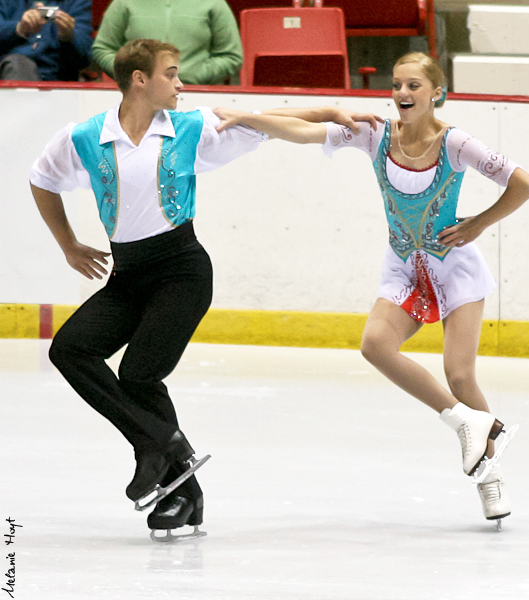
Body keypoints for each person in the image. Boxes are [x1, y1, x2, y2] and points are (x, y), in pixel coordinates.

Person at [29, 38, 375, 537]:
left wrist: (329, 110)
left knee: (140, 374)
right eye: (171, 73)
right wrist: (68, 244)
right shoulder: (83, 136)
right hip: (126, 275)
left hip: (181, 271)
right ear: (139, 80)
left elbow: (265, 122)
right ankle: (169, 463)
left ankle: (160, 454)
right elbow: (42, 178)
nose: (181, 83)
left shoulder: (191, 127)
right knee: (71, 349)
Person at [211, 52, 529, 525]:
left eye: (413, 86)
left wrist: (480, 224)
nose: (402, 94)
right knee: (375, 345)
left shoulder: (456, 144)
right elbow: (302, 132)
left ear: (436, 94)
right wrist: (249, 116)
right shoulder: (374, 133)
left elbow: (524, 183)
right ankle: (465, 420)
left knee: (461, 376)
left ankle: (490, 478)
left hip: (454, 266)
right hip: (405, 266)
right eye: (396, 84)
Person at [92, 0, 243, 85]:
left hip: (196, 94)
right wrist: (132, 75)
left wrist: (194, 76)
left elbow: (231, 57)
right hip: (136, 96)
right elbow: (103, 49)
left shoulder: (215, 3)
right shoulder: (123, 3)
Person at [0, 1, 92, 81]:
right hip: (9, 72)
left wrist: (69, 36)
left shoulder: (76, 2)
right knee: (18, 64)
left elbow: (85, 57)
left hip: (58, 76)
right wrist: (19, 29)